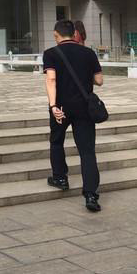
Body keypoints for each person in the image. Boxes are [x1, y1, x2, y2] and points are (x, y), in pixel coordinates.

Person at [43, 20, 103, 212]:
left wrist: (53, 106)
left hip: (61, 107)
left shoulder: (51, 54)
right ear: (74, 33)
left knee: (57, 141)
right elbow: (99, 80)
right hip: (84, 108)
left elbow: (51, 80)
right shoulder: (88, 53)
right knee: (87, 151)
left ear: (56, 34)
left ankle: (60, 178)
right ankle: (91, 195)